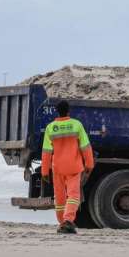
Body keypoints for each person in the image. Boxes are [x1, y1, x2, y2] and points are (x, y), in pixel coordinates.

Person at [41, 100, 94, 234]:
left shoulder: (51, 128)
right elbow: (85, 147)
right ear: (68, 111)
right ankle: (68, 220)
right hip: (74, 167)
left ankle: (61, 222)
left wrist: (44, 171)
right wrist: (89, 164)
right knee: (73, 195)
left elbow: (46, 151)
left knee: (59, 196)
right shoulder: (76, 125)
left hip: (57, 167)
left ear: (57, 111)